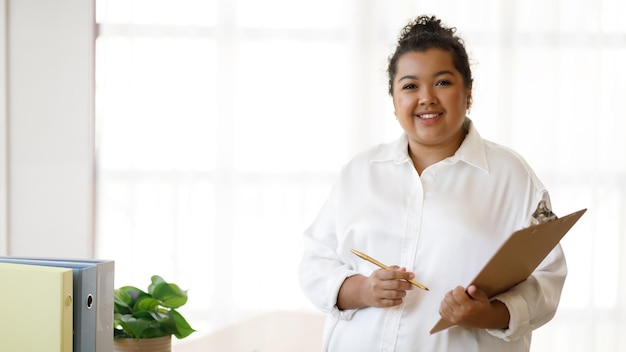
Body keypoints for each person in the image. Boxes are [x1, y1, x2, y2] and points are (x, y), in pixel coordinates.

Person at [298, 15, 566, 351]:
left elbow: (547, 278)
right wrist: (363, 290)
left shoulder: (510, 175)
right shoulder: (360, 172)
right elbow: (315, 262)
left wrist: (488, 313)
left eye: (442, 83)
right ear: (395, 101)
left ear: (468, 93)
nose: (426, 98)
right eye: (410, 86)